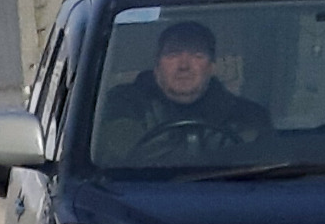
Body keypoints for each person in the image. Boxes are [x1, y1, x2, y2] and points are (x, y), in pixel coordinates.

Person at [97, 18, 269, 157]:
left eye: (197, 55)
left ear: (211, 67)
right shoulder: (124, 108)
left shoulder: (247, 118)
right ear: (157, 66)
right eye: (173, 54)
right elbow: (117, 164)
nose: (184, 65)